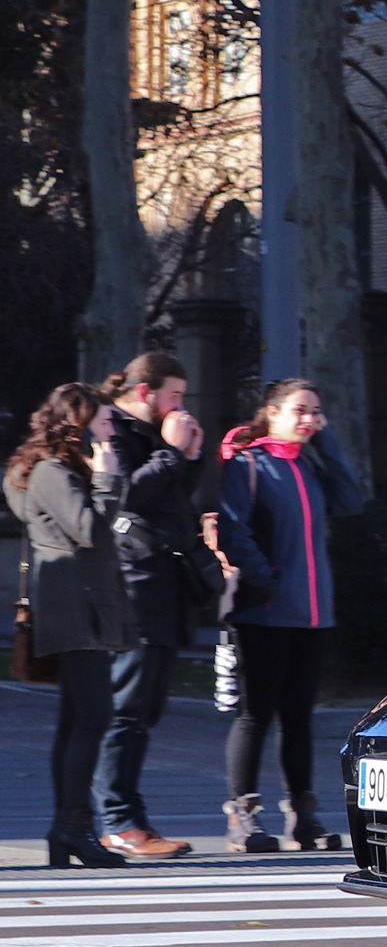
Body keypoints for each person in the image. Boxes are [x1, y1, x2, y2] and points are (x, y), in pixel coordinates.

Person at [217, 379, 365, 852]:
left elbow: (351, 501)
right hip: (263, 613)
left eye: (316, 412)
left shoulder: (310, 466)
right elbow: (233, 532)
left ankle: (303, 818)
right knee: (255, 714)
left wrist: (328, 442)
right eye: (300, 411)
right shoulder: (248, 466)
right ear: (272, 413)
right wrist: (269, 580)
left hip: (313, 614)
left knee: (298, 717)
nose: (309, 419)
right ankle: (244, 816)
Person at [6, 384, 137, 867]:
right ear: (77, 426)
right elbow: (90, 531)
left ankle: (67, 830)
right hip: (74, 609)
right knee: (93, 718)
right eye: (103, 422)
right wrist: (108, 482)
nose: (111, 430)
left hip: (80, 606)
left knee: (77, 721)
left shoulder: (55, 470)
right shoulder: (52, 472)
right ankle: (73, 829)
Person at [90, 351, 204, 859]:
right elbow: (123, 498)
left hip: (161, 586)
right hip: (130, 586)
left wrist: (188, 458)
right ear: (145, 392)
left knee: (144, 711)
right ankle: (118, 821)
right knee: (126, 709)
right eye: (174, 394)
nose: (180, 404)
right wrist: (173, 454)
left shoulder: (153, 437)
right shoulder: (109, 430)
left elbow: (172, 503)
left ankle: (131, 819)